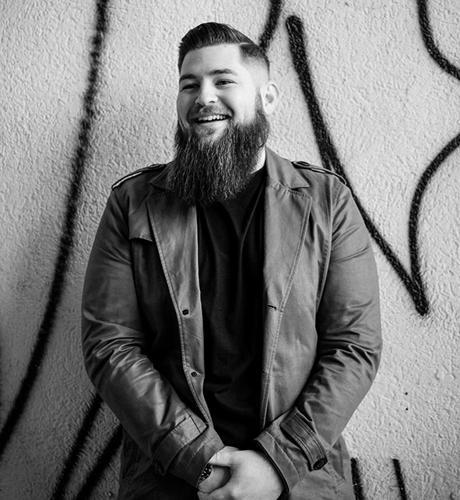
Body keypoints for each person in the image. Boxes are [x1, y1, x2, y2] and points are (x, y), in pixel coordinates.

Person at [81, 22, 382, 500]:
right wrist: (199, 460)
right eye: (189, 84)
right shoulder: (132, 203)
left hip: (299, 481)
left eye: (223, 80)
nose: (203, 97)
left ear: (268, 97)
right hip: (170, 480)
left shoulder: (327, 202)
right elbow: (110, 345)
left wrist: (276, 464)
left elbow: (354, 347)